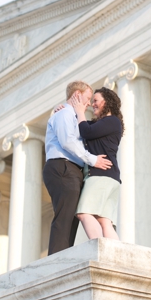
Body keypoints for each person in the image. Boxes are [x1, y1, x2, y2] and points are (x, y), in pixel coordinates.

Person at [43, 81, 112, 255]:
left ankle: (62, 257)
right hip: (63, 167)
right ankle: (57, 261)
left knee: (70, 217)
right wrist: (93, 160)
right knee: (65, 216)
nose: (89, 103)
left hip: (70, 169)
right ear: (77, 95)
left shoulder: (71, 116)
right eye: (88, 98)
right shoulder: (64, 114)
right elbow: (68, 142)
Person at [71, 87, 123, 240]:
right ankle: (115, 258)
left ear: (106, 102)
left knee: (83, 213)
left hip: (101, 175)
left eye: (95, 100)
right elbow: (83, 126)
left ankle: (99, 251)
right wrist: (63, 110)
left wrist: (80, 111)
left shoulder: (112, 120)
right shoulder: (108, 123)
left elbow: (86, 131)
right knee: (104, 221)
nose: (92, 104)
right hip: (110, 178)